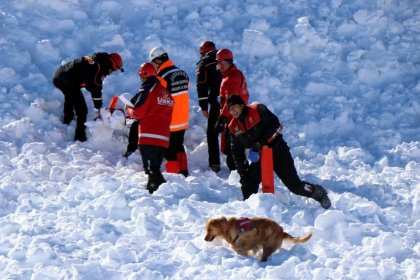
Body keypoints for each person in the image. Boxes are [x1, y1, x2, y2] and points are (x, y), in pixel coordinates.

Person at [226, 95, 332, 209]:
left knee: (295, 186)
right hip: (260, 156)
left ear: (242, 105)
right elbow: (236, 151)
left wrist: (260, 143)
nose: (233, 111)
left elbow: (276, 125)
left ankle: (318, 192)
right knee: (247, 184)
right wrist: (242, 172)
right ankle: (250, 212)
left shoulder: (258, 109)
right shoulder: (233, 127)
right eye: (230, 109)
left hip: (278, 151)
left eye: (235, 107)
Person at [125, 63, 174, 194]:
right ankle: (152, 192)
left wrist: (128, 109)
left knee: (152, 171)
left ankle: (165, 194)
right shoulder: (165, 92)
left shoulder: (148, 88)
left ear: (143, 76)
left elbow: (138, 112)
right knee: (154, 170)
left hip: (148, 137)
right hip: (163, 139)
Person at [52, 52, 123, 142]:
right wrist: (97, 110)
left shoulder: (97, 61)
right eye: (115, 69)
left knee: (70, 96)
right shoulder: (98, 70)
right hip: (67, 80)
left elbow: (88, 79)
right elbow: (96, 91)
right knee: (82, 110)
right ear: (112, 64)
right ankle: (80, 137)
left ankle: (67, 119)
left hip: (59, 75)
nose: (113, 71)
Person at [149, 46, 190, 177]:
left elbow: (158, 99)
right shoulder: (183, 73)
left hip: (170, 120)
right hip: (183, 119)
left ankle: (173, 176)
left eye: (153, 63)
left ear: (158, 60)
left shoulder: (161, 77)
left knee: (168, 150)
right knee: (179, 146)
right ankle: (184, 172)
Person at [214, 48, 249, 172]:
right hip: (237, 117)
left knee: (233, 150)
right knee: (236, 149)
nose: (219, 66)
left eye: (221, 62)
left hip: (233, 119)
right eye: (218, 63)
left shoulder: (230, 79)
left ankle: (240, 175)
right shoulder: (235, 74)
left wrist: (222, 118)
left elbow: (231, 101)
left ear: (229, 62)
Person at [196, 41, 223, 173]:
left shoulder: (204, 62)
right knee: (231, 132)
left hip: (216, 103)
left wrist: (203, 105)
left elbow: (201, 84)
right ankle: (235, 163)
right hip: (231, 102)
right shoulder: (222, 59)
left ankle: (215, 163)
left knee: (212, 133)